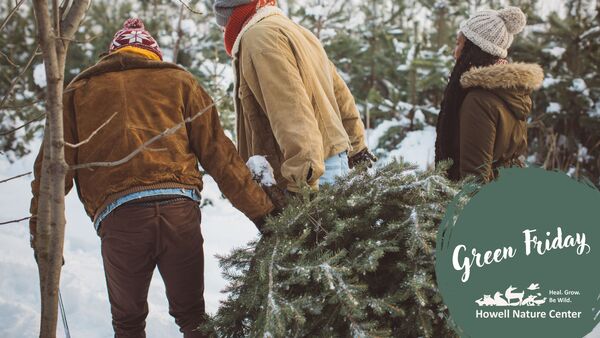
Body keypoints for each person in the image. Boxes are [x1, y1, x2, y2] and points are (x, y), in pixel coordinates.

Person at [29, 18, 275, 338]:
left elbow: (51, 171)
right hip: (178, 213)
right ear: (153, 56)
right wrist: (263, 213)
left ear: (111, 55)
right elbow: (220, 155)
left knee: (128, 323)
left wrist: (42, 235)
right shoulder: (179, 82)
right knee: (193, 318)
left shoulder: (78, 93)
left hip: (121, 218)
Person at [213, 0, 376, 192]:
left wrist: (301, 181)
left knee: (316, 224)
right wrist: (357, 146)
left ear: (230, 16)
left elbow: (291, 112)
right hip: (328, 161)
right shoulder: (296, 30)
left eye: (222, 26)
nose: (223, 33)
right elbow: (340, 94)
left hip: (309, 173)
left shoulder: (259, 38)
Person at [434, 7, 544, 182]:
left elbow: (474, 181)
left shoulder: (478, 100)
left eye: (458, 43)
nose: (454, 53)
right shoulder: (508, 92)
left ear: (472, 49)